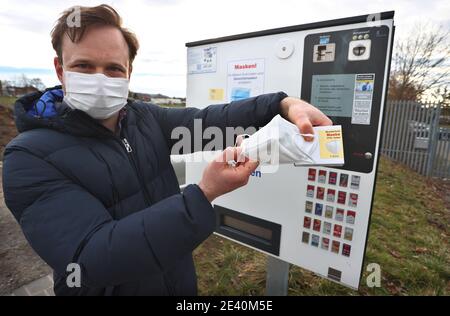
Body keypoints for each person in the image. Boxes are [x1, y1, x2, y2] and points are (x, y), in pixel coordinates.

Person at [2, 4, 332, 296]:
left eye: (114, 68)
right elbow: (92, 258)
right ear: (60, 70)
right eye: (84, 66)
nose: (100, 79)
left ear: (129, 72)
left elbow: (208, 122)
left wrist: (280, 104)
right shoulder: (27, 159)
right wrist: (202, 194)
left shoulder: (142, 117)